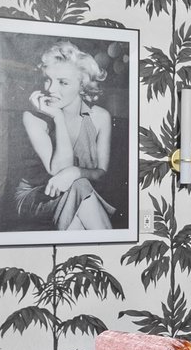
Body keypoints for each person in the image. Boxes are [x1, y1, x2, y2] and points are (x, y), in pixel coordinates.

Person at [15, 42, 117, 232]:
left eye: (63, 82)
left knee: (79, 188)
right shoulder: (33, 117)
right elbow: (58, 170)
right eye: (48, 79)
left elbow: (101, 174)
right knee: (80, 188)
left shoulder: (100, 117)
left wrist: (75, 173)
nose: (51, 89)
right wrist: (58, 118)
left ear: (82, 83)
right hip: (37, 196)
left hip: (80, 192)